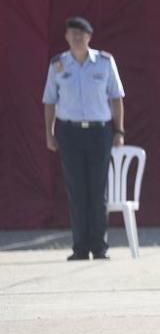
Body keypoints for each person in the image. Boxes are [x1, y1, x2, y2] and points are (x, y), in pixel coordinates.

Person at [42, 16, 125, 260]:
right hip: (70, 132)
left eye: (81, 34)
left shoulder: (104, 63)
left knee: (97, 190)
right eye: (72, 34)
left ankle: (99, 246)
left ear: (89, 37)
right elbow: (49, 101)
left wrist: (119, 130)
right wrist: (49, 132)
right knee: (76, 190)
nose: (77, 38)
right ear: (66, 37)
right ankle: (80, 247)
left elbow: (116, 98)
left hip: (99, 131)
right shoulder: (58, 64)